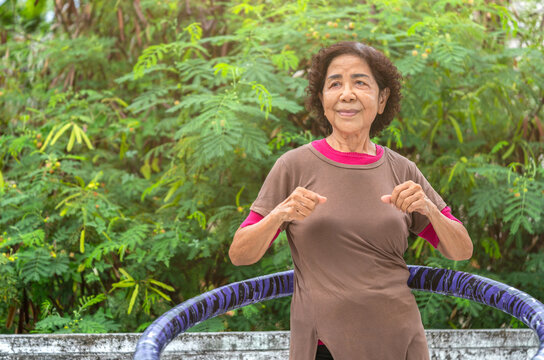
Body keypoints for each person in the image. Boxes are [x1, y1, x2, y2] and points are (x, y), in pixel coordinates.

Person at [228, 41, 473, 360]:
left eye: (360, 82)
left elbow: (462, 250)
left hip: (401, 341)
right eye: (334, 84)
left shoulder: (402, 169)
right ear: (322, 99)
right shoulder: (294, 166)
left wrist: (428, 208)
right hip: (324, 346)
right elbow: (240, 254)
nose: (347, 94)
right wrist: (279, 214)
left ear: (382, 98)